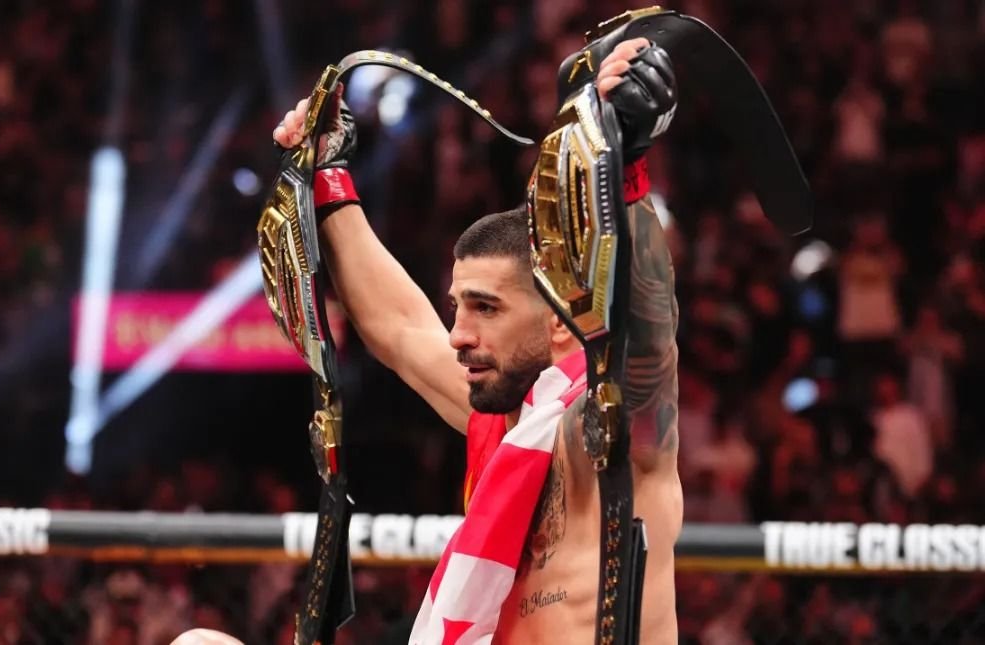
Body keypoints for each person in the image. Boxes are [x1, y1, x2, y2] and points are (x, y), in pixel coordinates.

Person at [178, 36, 680, 644]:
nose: (459, 336)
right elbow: (399, 326)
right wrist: (327, 173)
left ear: (557, 320)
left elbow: (647, 343)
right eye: (458, 307)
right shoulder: (506, 420)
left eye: (486, 308)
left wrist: (624, 170)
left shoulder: (605, 432)